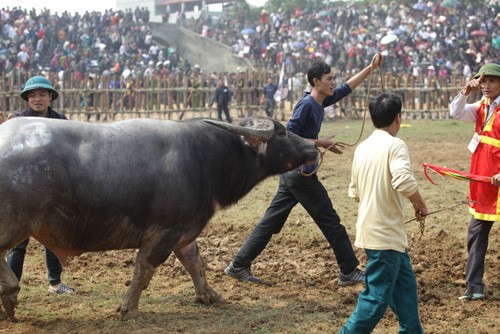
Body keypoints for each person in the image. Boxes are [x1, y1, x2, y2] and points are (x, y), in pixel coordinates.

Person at [224, 54, 383, 285]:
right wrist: (320, 143)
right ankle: (349, 270)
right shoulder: (307, 105)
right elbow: (287, 135)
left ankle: (238, 265)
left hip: (293, 173)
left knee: (270, 222)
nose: (332, 83)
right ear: (315, 82)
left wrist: (370, 67)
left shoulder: (319, 102)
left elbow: (346, 88)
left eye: (333, 78)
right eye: (329, 79)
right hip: (300, 175)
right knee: (331, 222)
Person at [340, 92, 428, 333]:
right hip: (386, 236)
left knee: (405, 290)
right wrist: (420, 204)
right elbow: (403, 181)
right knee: (376, 299)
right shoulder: (395, 145)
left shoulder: (362, 148)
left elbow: (354, 191)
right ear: (398, 118)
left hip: (378, 232)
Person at [6, 76, 75, 295]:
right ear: (27, 98)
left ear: (50, 97)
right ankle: (11, 285)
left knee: (52, 238)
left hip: (53, 190)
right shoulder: (17, 121)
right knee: (18, 242)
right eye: (33, 95)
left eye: (42, 95)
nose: (37, 99)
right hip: (24, 190)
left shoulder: (61, 121)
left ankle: (55, 283)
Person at [449, 63, 500, 301]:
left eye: (492, 81)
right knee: (476, 232)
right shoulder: (480, 106)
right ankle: (474, 286)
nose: (486, 85)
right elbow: (455, 113)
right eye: (483, 81)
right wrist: (465, 92)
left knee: (477, 232)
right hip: (484, 181)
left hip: (496, 178)